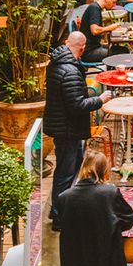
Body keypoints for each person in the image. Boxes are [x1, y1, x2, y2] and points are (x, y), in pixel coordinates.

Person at [43, 30, 113, 229]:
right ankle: (59, 215)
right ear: (82, 48)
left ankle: (59, 209)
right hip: (68, 129)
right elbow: (76, 105)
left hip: (63, 126)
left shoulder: (57, 63)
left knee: (67, 170)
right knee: (66, 172)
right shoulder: (70, 71)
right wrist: (99, 100)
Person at [79, 0, 123, 64]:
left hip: (94, 47)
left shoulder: (96, 7)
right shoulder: (94, 9)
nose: (114, 5)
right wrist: (110, 28)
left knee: (122, 49)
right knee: (121, 54)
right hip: (89, 52)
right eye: (113, 2)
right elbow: (94, 30)